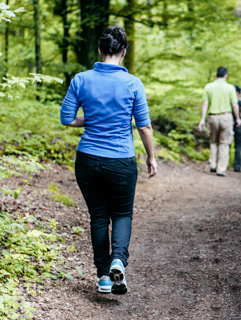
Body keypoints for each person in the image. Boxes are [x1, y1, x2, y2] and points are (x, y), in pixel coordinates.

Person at [60, 26, 158, 295]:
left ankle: (104, 277)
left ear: (100, 50)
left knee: (99, 217)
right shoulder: (133, 83)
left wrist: (90, 120)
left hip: (88, 160)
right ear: (123, 52)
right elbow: (144, 127)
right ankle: (119, 261)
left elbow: (67, 118)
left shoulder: (81, 79)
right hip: (121, 160)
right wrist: (151, 157)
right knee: (122, 213)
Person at [198, 67, 241, 177]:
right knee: (224, 143)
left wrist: (202, 119)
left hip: (212, 117)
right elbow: (235, 105)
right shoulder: (230, 88)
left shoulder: (208, 87)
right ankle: (220, 169)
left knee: (213, 141)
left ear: (216, 75)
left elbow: (205, 103)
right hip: (226, 117)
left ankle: (213, 165)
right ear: (226, 75)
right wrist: (237, 118)